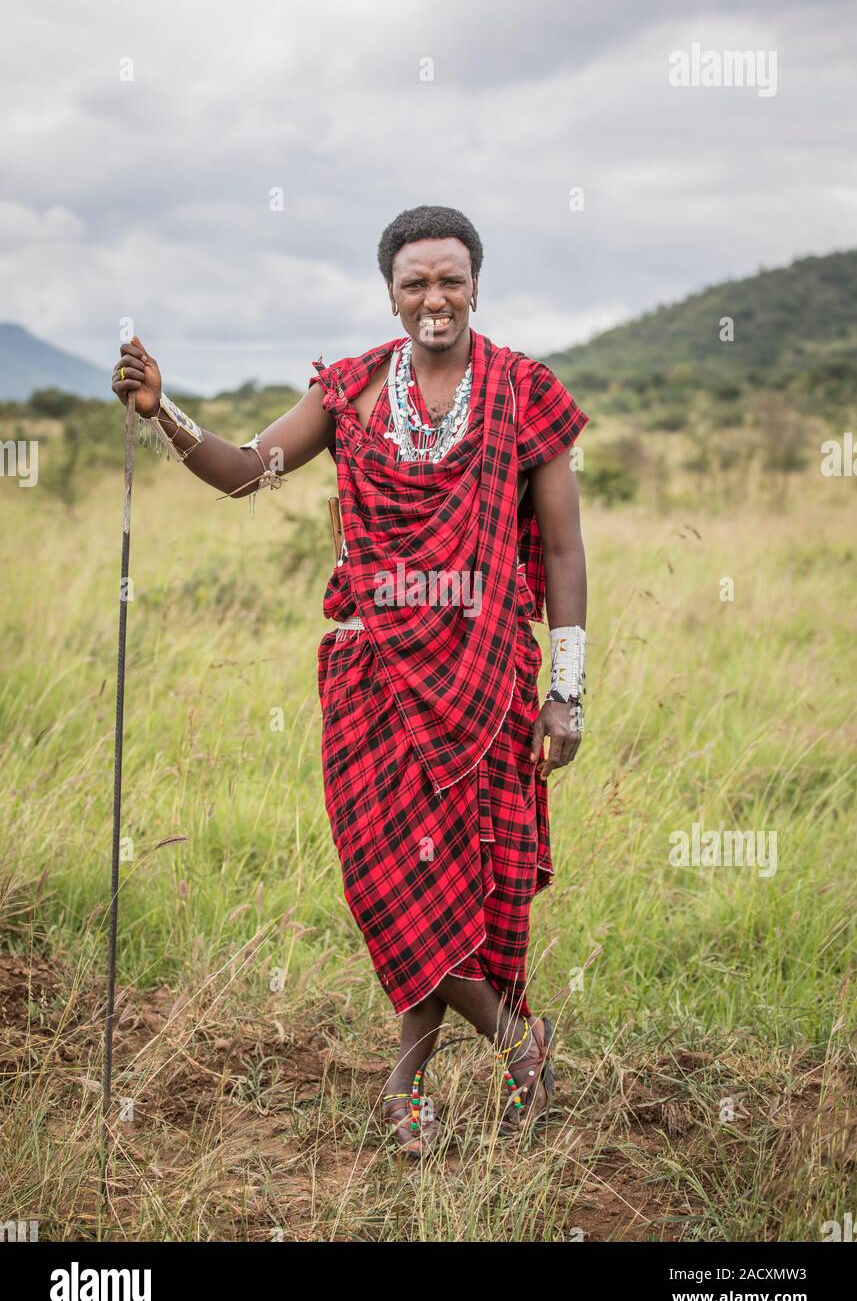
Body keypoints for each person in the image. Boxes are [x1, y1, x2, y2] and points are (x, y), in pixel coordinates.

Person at [111, 205, 588, 1158]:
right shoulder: (352, 391)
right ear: (390, 292)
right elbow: (247, 472)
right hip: (373, 676)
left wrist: (565, 690)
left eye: (449, 278)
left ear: (476, 284)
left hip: (488, 678)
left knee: (461, 880)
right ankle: (517, 1040)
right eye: (414, 282)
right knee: (385, 879)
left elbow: (566, 549)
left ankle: (405, 1087)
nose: (433, 297)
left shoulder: (523, 392)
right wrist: (162, 410)